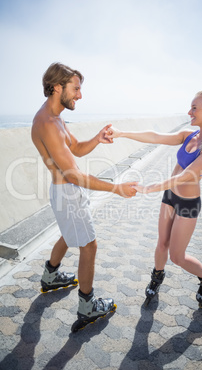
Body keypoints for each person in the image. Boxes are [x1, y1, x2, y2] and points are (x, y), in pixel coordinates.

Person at [31, 62, 137, 330]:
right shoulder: (47, 123)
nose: (80, 95)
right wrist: (116, 188)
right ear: (57, 88)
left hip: (62, 192)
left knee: (69, 234)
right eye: (76, 89)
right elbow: (73, 175)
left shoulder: (55, 118)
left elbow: (76, 148)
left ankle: (50, 276)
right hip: (67, 191)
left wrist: (97, 138)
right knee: (88, 245)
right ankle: (87, 307)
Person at [107, 90, 202, 308]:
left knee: (177, 256)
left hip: (188, 206)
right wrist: (121, 133)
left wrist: (148, 188)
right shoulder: (189, 135)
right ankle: (157, 277)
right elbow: (155, 136)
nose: (189, 112)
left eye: (194, 108)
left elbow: (184, 176)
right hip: (170, 196)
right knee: (161, 243)